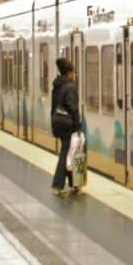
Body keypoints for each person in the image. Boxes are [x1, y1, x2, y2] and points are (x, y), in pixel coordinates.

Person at [50, 57, 82, 195]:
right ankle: (58, 184)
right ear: (69, 72)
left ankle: (74, 184)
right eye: (73, 72)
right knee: (67, 153)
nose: (74, 75)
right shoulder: (70, 87)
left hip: (57, 121)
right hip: (67, 123)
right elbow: (72, 108)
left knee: (70, 151)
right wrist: (78, 126)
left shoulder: (57, 85)